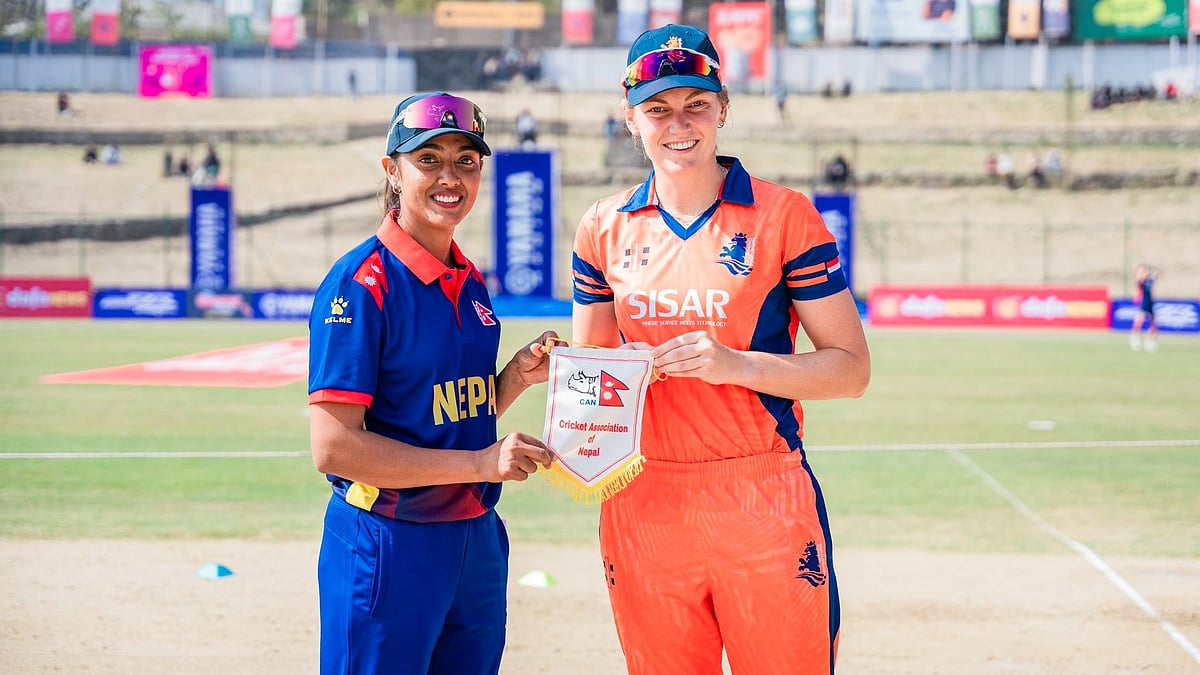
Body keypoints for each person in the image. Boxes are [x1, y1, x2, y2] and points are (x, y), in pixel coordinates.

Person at [571, 24, 871, 674]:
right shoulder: (601, 227)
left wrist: (734, 365)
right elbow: (590, 381)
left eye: (695, 105)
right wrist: (579, 385)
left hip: (761, 498)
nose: (678, 125)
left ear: (723, 108)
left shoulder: (785, 216)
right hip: (644, 500)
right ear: (630, 120)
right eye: (657, 110)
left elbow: (851, 370)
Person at [307, 91, 558, 675]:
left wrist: (515, 378)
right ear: (392, 171)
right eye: (429, 160)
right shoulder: (359, 284)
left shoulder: (468, 278)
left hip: (473, 536)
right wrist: (480, 464)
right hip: (390, 538)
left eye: (466, 161)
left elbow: (449, 412)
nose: (451, 177)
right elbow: (333, 447)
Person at [1130, 264, 1161, 352]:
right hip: (1144, 303)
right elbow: (1139, 279)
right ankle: (1135, 339)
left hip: (1150, 303)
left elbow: (1155, 278)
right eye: (1142, 271)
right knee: (1139, 322)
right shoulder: (1141, 281)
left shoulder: (1149, 280)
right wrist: (1142, 273)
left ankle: (1150, 341)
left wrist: (1156, 275)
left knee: (1155, 325)